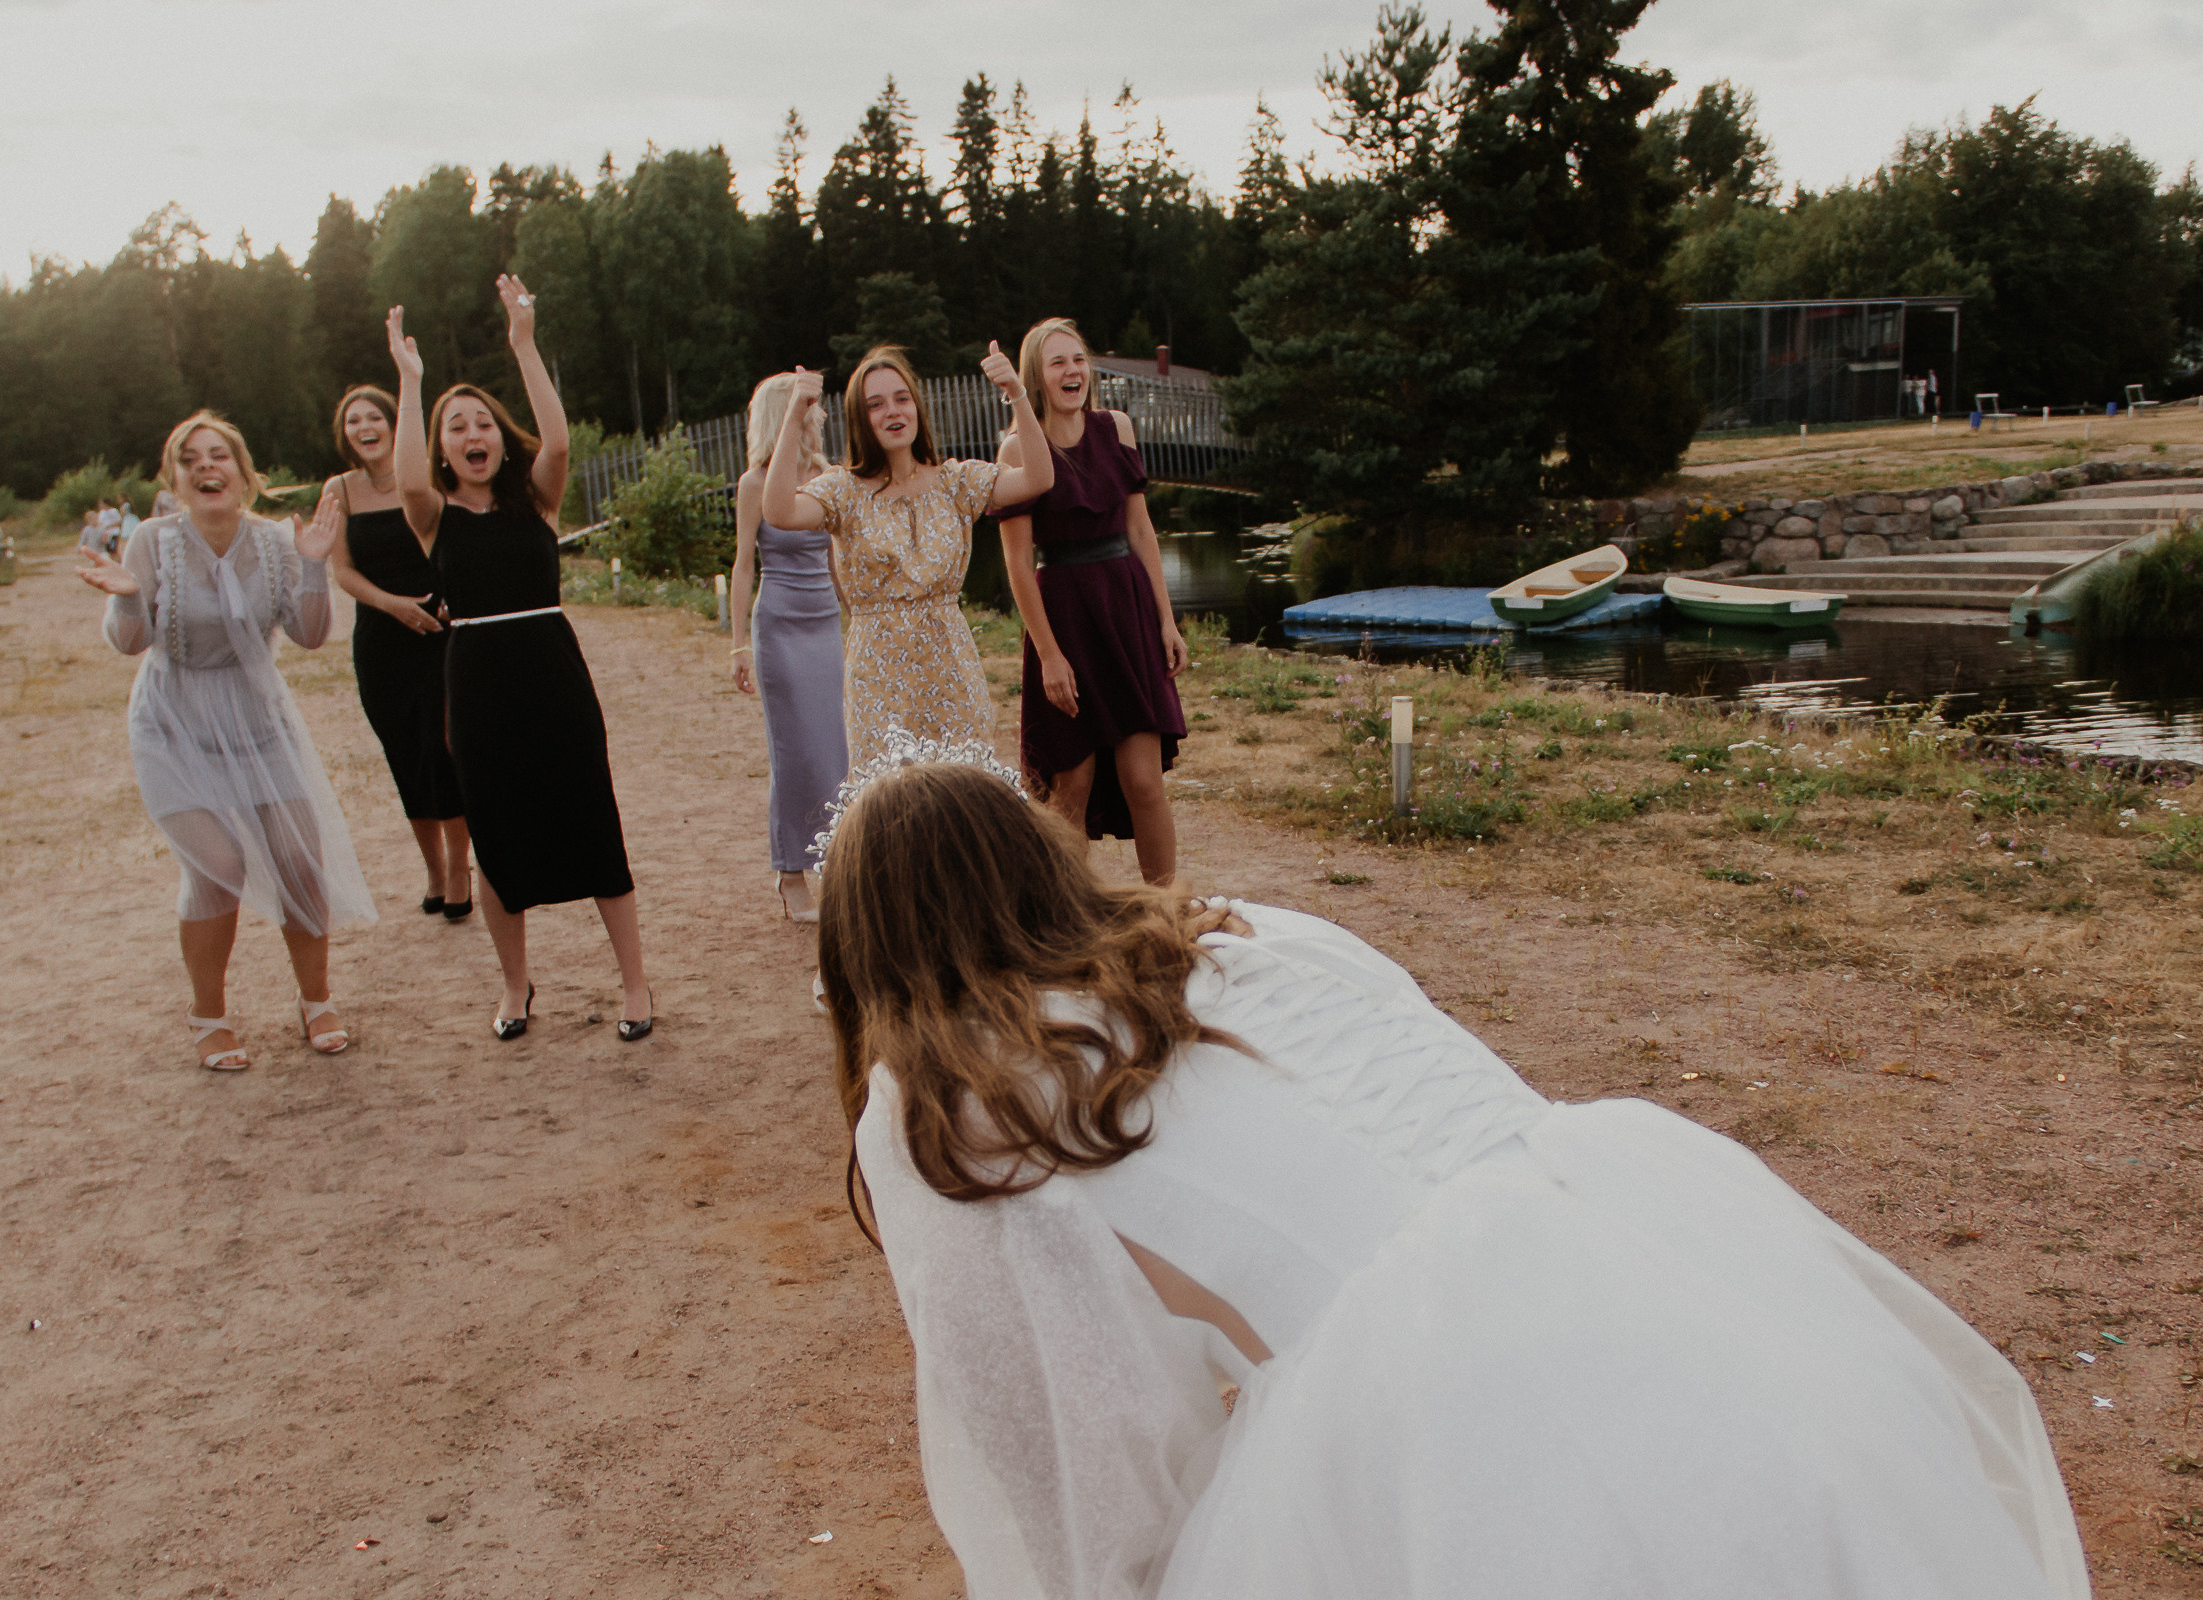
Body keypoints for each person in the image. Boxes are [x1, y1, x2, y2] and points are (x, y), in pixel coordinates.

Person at [822, 761, 2092, 1600]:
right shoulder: (1249, 933)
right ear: (1043, 859)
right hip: (1634, 1233)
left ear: (867, 956)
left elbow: (1070, 1455)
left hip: (1441, 1388)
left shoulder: (943, 1098)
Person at [389, 279, 653, 1043]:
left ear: (501, 438)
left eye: (482, 423)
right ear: (444, 448)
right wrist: (412, 387)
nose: (471, 434)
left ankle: (634, 983)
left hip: (553, 673)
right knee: (497, 841)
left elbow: (562, 441)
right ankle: (514, 986)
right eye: (455, 427)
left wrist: (525, 345)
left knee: (593, 822)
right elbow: (406, 479)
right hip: (475, 684)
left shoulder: (536, 498)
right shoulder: (432, 515)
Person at [76, 410, 375, 1070]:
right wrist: (128, 600)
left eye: (218, 456)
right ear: (176, 479)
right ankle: (208, 1015)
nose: (205, 466)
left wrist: (314, 567)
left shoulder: (273, 541)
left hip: (257, 720)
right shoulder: (151, 542)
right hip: (174, 723)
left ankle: (316, 999)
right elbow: (130, 643)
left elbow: (310, 633)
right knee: (219, 866)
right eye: (190, 459)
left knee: (299, 859)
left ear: (245, 474)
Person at [761, 345, 1054, 768]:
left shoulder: (955, 482)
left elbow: (1039, 477)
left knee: (962, 798)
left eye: (901, 398)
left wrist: (1016, 392)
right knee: (890, 806)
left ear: (917, 406)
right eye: (875, 405)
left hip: (950, 665)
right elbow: (779, 511)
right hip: (878, 674)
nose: (892, 412)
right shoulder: (843, 490)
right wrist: (794, 416)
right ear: (862, 419)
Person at [995, 318, 1188, 883]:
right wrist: (1049, 655)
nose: (1072, 371)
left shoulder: (1117, 429)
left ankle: (1165, 913)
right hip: (1065, 621)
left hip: (1126, 614)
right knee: (1070, 788)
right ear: (1036, 377)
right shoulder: (1017, 449)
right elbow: (1017, 564)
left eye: (1077, 359)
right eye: (1057, 362)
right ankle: (1065, 921)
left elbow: (1141, 530)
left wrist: (1165, 621)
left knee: (1144, 782)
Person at [322, 383, 474, 921]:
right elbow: (342, 571)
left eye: (373, 418)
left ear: (393, 424)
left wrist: (455, 601)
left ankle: (460, 868)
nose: (363, 428)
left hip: (440, 635)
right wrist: (392, 606)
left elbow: (459, 546)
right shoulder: (338, 490)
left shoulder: (428, 478)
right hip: (381, 643)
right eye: (351, 421)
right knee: (405, 756)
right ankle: (432, 869)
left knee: (444, 752)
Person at [730, 373, 847, 923]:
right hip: (777, 624)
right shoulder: (754, 483)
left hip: (825, 622)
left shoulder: (828, 476)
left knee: (834, 747)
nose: (818, 417)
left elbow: (836, 558)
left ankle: (837, 861)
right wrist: (737, 646)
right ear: (784, 414)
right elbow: (743, 564)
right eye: (807, 408)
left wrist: (860, 613)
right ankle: (790, 871)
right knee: (794, 752)